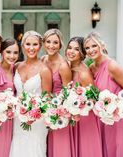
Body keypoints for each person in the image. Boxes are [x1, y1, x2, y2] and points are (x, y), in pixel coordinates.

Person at [84, 32, 123, 157]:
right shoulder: (91, 67)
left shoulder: (112, 66)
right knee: (109, 148)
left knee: (121, 149)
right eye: (87, 48)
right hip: (106, 116)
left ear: (102, 45)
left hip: (122, 115)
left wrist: (116, 104)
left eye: (94, 46)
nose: (91, 50)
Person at [9, 30, 52, 157]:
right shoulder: (17, 66)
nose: (31, 48)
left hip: (37, 120)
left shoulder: (44, 70)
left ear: (40, 46)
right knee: (18, 147)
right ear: (22, 46)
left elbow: (47, 98)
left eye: (35, 44)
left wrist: (34, 115)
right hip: (18, 118)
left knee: (35, 149)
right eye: (28, 44)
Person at [65, 36, 102, 157]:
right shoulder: (68, 67)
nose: (71, 51)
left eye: (76, 49)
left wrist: (78, 108)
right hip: (73, 118)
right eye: (69, 48)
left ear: (82, 53)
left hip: (86, 120)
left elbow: (94, 98)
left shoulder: (84, 73)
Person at [41, 29, 73, 157]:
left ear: (60, 45)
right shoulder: (43, 59)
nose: (51, 45)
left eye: (55, 42)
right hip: (44, 109)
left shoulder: (63, 66)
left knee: (59, 148)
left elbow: (67, 93)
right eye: (48, 42)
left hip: (58, 112)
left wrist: (57, 111)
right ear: (44, 43)